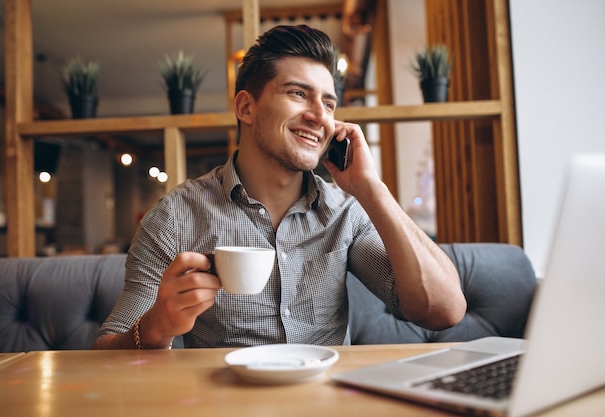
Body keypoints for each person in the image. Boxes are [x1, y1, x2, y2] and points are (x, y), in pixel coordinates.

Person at [92, 25, 466, 350]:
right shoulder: (175, 217)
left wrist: (370, 187)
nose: (320, 115)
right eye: (298, 94)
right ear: (246, 108)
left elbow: (444, 311)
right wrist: (155, 327)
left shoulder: (344, 212)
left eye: (329, 103)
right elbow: (106, 353)